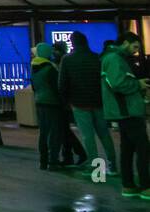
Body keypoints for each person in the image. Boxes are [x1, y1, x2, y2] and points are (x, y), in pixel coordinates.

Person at [59, 31, 117, 175]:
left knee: (87, 135)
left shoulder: (67, 59)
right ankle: (112, 165)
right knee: (104, 134)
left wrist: (66, 101)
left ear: (72, 43)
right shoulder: (96, 57)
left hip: (79, 103)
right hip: (98, 101)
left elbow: (62, 83)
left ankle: (95, 167)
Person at [100, 32, 150, 198]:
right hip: (127, 110)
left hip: (123, 111)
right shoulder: (115, 59)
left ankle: (128, 185)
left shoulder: (111, 58)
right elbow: (118, 83)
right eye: (135, 46)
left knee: (127, 148)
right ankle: (146, 186)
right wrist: (138, 84)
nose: (136, 51)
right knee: (143, 148)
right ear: (126, 43)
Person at [31, 42, 65, 171]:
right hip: (52, 103)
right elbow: (57, 88)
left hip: (39, 103)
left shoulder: (34, 67)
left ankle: (43, 161)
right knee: (54, 133)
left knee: (43, 133)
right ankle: (53, 161)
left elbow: (34, 87)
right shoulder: (50, 68)